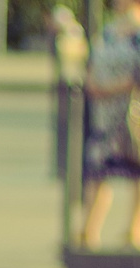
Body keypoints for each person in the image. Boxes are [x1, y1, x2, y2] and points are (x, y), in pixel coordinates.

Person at [82, 0, 140, 249]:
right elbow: (91, 65)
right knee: (97, 170)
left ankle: (133, 230)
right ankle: (88, 230)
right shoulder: (108, 30)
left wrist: (112, 89)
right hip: (103, 116)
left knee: (136, 169)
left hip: (132, 114)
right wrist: (94, 85)